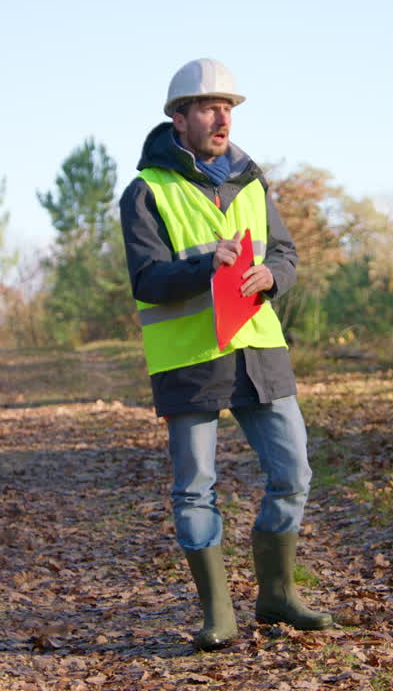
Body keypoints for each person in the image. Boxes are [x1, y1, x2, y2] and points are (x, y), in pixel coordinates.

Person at [118, 58, 333, 651]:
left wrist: (273, 275)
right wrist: (201, 266)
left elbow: (285, 254)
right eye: (210, 107)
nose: (223, 118)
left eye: (229, 108)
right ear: (179, 117)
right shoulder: (146, 192)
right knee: (195, 488)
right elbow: (146, 279)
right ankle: (218, 613)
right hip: (189, 358)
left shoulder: (252, 183)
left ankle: (277, 594)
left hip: (259, 351)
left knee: (293, 472)